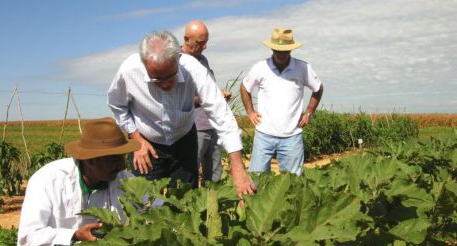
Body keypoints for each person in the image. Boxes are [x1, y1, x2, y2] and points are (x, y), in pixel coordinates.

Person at [108, 30, 255, 197]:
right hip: (146, 144)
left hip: (184, 141)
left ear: (178, 59)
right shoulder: (128, 71)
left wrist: (237, 167)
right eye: (156, 79)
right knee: (143, 203)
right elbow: (117, 106)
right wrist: (136, 139)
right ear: (144, 65)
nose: (164, 85)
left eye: (170, 77)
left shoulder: (193, 68)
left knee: (186, 201)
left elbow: (221, 113)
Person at [17, 117, 140, 246]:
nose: (121, 165)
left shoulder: (123, 179)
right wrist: (74, 235)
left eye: (122, 157)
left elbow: (155, 208)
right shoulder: (49, 178)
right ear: (90, 160)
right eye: (113, 159)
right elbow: (29, 237)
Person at [240, 28, 324, 175]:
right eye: (278, 50)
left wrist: (309, 112)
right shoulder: (260, 67)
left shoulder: (303, 67)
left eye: (285, 51)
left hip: (292, 136)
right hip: (264, 134)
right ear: (272, 48)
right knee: (257, 179)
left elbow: (318, 88)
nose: (281, 54)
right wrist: (250, 112)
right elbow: (244, 87)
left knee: (293, 183)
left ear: (291, 50)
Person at [181, 20, 231, 186]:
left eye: (205, 42)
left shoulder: (203, 60)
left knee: (215, 174)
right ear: (186, 39)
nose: (204, 46)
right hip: (194, 128)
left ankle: (214, 209)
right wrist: (207, 99)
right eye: (200, 42)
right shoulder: (177, 62)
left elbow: (207, 89)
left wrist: (218, 95)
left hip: (212, 125)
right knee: (190, 173)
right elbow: (180, 99)